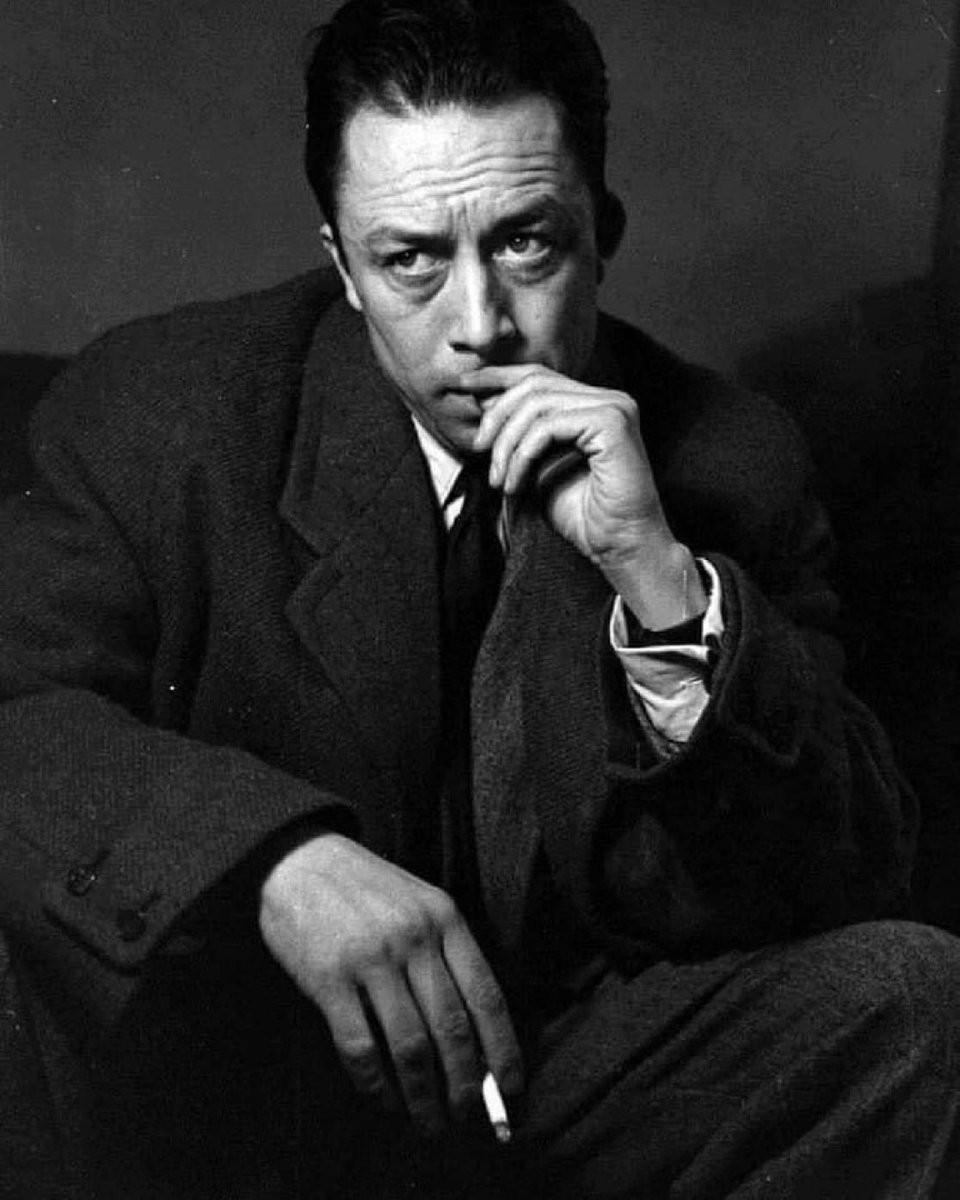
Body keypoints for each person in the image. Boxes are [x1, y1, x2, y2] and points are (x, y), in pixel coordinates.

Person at [1, 0, 959, 1196]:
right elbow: (15, 708)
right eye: (409, 259)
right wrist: (274, 862)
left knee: (919, 1001)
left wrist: (655, 572)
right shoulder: (164, 414)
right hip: (249, 1081)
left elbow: (853, 871)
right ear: (343, 267)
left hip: (559, 1072)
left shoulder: (734, 459)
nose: (480, 327)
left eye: (527, 244)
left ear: (602, 236)